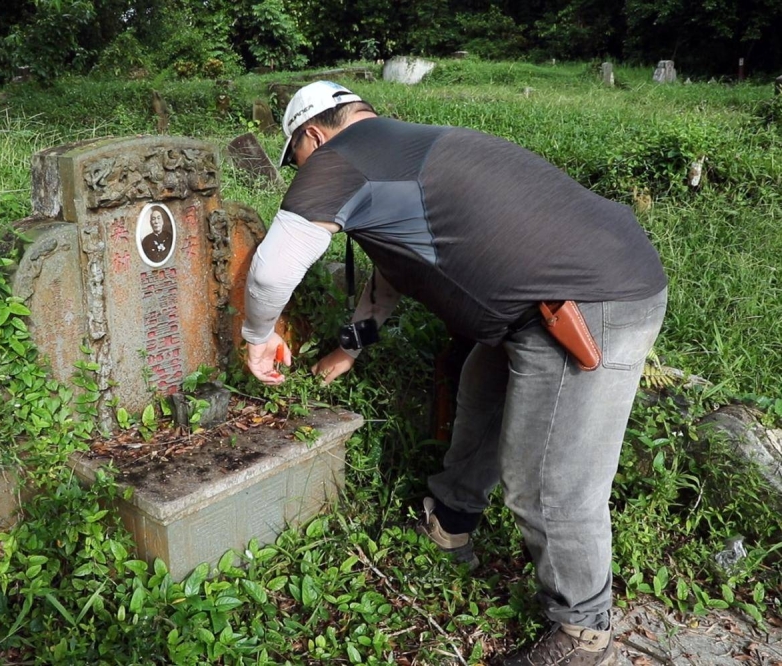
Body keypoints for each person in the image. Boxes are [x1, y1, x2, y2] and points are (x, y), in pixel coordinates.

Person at [241, 80, 667, 666]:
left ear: (312, 134)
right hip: (542, 304)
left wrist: (257, 337)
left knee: (548, 481)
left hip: (585, 305)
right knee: (481, 398)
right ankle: (451, 524)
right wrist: (350, 349)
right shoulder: (403, 149)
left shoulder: (338, 159)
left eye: (297, 158)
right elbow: (398, 268)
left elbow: (270, 274)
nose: (300, 172)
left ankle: (582, 634)